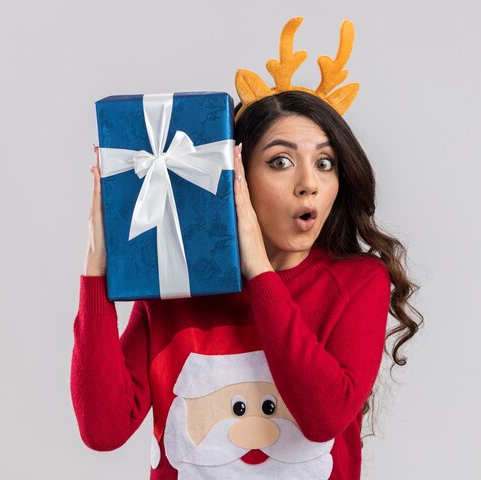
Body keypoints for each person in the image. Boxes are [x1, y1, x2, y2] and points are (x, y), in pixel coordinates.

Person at [72, 18, 422, 480]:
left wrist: (260, 271)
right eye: (280, 161)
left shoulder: (358, 282)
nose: (309, 184)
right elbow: (103, 429)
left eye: (325, 162)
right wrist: (97, 269)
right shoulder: (181, 285)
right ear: (236, 176)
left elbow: (322, 420)